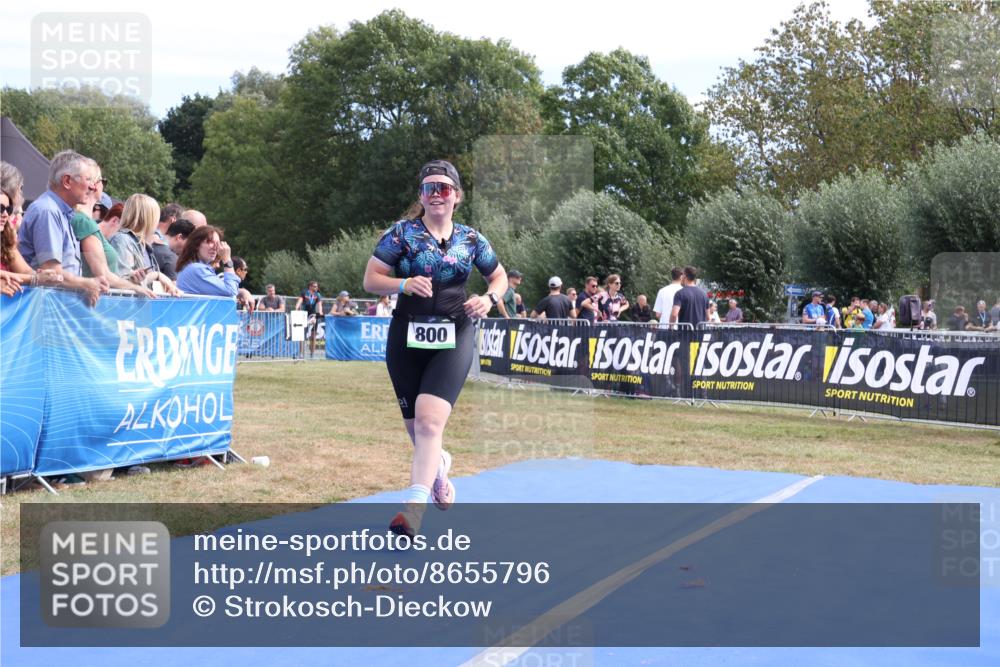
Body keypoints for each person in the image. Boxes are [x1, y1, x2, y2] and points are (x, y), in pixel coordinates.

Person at [362, 159, 506, 538]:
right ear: (421, 197)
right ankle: (438, 469)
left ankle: (413, 510)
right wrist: (403, 284)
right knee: (418, 431)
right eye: (430, 188)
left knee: (429, 422)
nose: (437, 194)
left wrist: (490, 298)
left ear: (457, 196)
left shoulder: (472, 240)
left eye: (445, 188)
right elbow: (371, 279)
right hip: (405, 339)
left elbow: (499, 277)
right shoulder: (401, 235)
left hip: (454, 336)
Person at [17, 150, 109, 306]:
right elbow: (53, 272)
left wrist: (85, 285)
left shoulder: (61, 212)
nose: (93, 187)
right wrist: (87, 284)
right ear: (67, 181)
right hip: (43, 310)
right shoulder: (48, 211)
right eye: (88, 180)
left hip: (52, 308)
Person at [110, 194, 180, 295]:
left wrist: (158, 275)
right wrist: (156, 275)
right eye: (156, 216)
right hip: (127, 308)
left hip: (141, 307)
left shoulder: (145, 245)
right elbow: (121, 283)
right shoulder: (122, 240)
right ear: (148, 218)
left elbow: (141, 281)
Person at [1, 187, 62, 295]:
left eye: (8, 209)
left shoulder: (5, 240)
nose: (5, 214)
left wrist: (44, 276)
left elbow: (24, 270)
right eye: (0, 208)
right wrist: (35, 279)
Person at [175, 225, 240, 297]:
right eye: (210, 242)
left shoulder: (191, 266)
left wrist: (242, 292)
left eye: (218, 243)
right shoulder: (197, 269)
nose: (215, 247)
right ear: (196, 245)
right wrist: (227, 260)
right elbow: (231, 292)